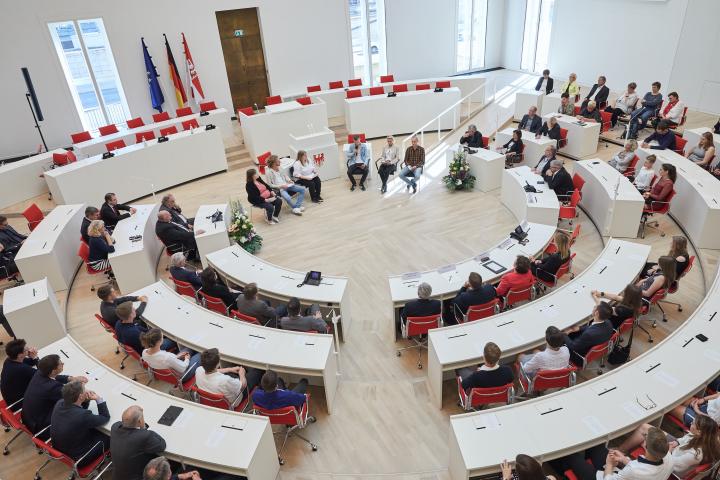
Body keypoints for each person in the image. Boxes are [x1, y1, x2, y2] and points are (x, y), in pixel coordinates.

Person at [617, 415, 720, 479]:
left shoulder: (695, 455)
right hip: (672, 451)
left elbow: (673, 466)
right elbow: (684, 439)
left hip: (669, 463)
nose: (691, 422)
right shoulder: (701, 436)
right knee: (645, 428)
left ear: (699, 432)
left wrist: (653, 449)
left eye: (694, 423)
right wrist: (676, 442)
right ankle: (621, 451)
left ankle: (620, 456)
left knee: (647, 439)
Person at [552, 426, 672, 480]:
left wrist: (609, 465)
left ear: (645, 445)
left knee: (571, 454)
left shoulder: (633, 470)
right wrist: (624, 460)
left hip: (607, 476)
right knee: (595, 443)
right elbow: (642, 467)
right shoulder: (669, 458)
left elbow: (635, 470)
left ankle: (563, 469)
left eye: (645, 438)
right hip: (621, 473)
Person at [21, 354, 88, 434]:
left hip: (28, 418)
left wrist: (70, 379)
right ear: (53, 370)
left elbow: (53, 377)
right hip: (41, 427)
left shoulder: (40, 373)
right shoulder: (53, 387)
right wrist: (81, 386)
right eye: (60, 364)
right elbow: (74, 400)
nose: (63, 363)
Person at [50, 381, 110, 466]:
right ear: (81, 396)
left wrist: (85, 400)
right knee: (110, 436)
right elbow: (105, 417)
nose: (86, 391)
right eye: (84, 390)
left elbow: (78, 408)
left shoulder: (60, 402)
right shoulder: (82, 415)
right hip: (79, 456)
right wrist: (98, 399)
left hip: (60, 448)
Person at [110, 405, 167, 480]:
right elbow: (162, 445)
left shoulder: (115, 427)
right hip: (138, 476)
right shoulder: (144, 436)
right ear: (139, 421)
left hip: (118, 476)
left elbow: (124, 422)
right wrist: (144, 429)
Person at [195, 348, 262, 408]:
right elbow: (243, 385)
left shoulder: (198, 370)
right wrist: (242, 374)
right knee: (257, 371)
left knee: (232, 374)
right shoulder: (224, 380)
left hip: (212, 397)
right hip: (234, 401)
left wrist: (229, 369)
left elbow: (214, 371)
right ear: (217, 364)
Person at [563, 302, 614, 366]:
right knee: (572, 333)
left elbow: (573, 346)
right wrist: (579, 328)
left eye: (595, 307)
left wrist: (564, 334)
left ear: (597, 313)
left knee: (560, 338)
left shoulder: (589, 334)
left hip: (578, 356)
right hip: (593, 345)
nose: (593, 307)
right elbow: (593, 327)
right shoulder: (608, 322)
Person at [0, 338, 39, 410]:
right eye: (26, 350)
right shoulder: (21, 369)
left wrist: (33, 357)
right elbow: (44, 374)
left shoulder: (9, 359)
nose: (28, 349)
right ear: (20, 355)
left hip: (12, 397)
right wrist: (36, 357)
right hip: (19, 403)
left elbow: (31, 362)